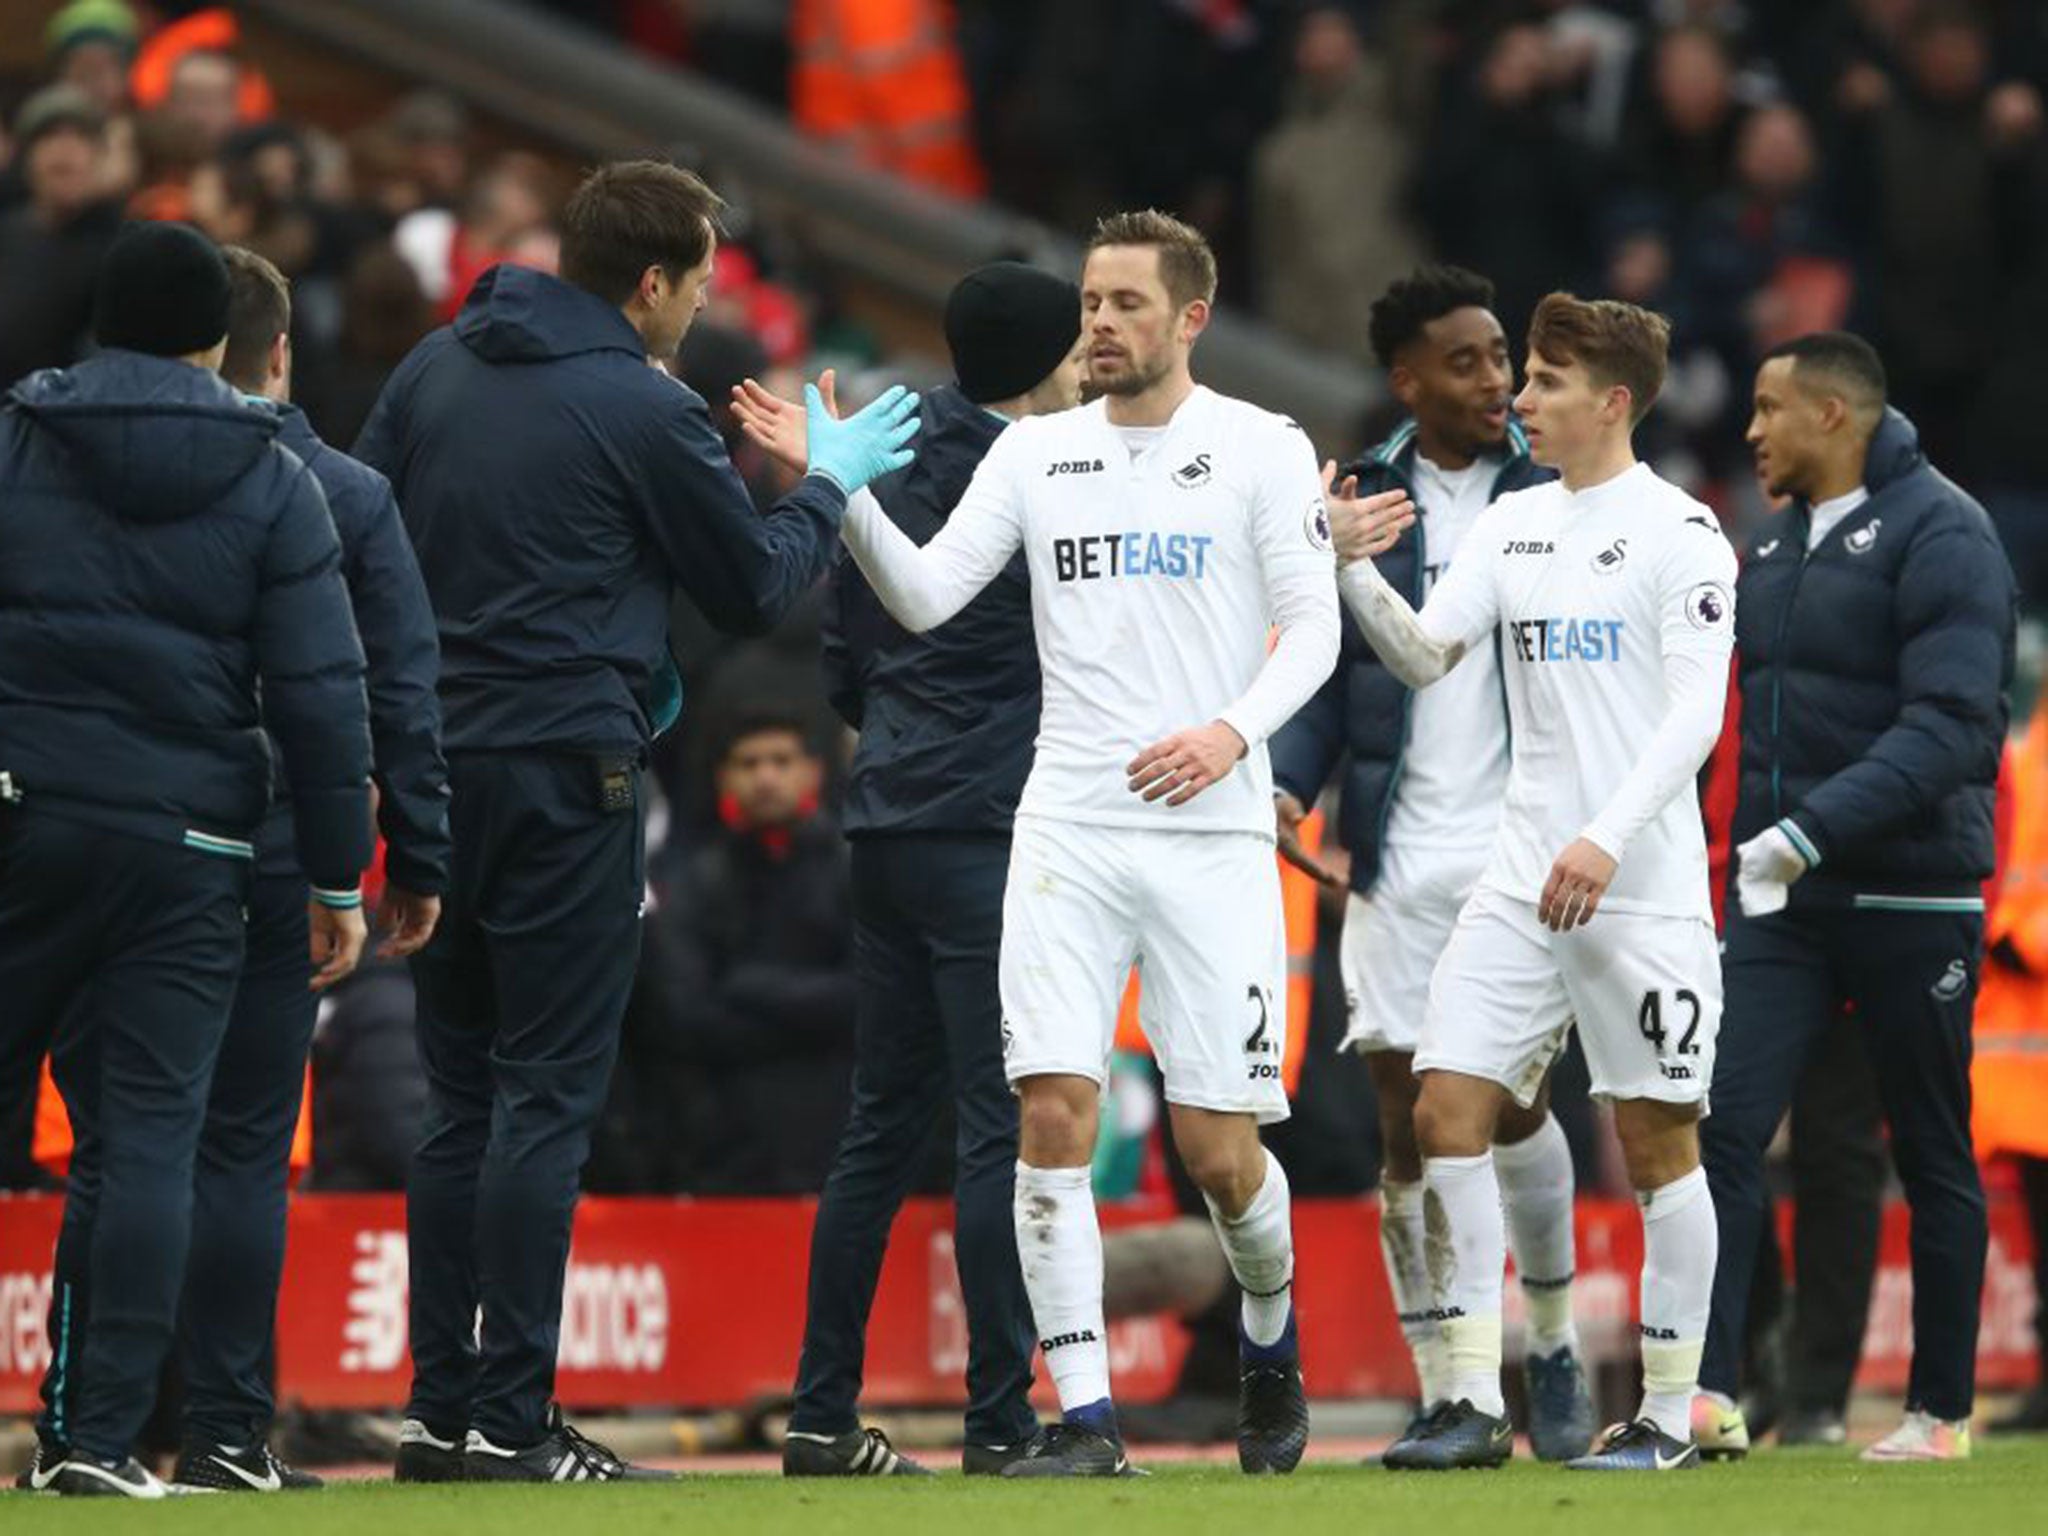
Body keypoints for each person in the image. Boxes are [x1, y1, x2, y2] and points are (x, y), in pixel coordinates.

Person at [736, 210, 1402, 1478]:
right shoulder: (1037, 456)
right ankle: (1084, 1423)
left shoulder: (1259, 447)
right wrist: (842, 492)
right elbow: (926, 596)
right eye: (1089, 302)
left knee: (1220, 1154)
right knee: (1047, 1113)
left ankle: (1268, 1333)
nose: (1098, 324)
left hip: (1205, 834)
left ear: (1190, 318)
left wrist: (1228, 732)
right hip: (1061, 827)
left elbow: (1313, 636)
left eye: (1124, 305)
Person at [352, 158, 919, 1485]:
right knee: (545, 1098)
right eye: (702, 283)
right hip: (568, 778)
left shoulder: (435, 368)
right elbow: (751, 588)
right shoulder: (641, 408)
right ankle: (512, 1415)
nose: (699, 308)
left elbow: (364, 535)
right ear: (655, 282)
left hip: (437, 763)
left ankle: (444, 1410)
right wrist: (827, 483)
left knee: (459, 1096)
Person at [0, 221, 372, 1498]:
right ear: (225, 338)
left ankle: (83, 1431)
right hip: (192, 844)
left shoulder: (16, 440)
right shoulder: (274, 475)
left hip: (23, 818)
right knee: (149, 1137)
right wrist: (336, 877)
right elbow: (322, 696)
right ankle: (97, 1443)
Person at [1336, 293, 1738, 1473]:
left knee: (1660, 1142)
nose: (1520, 398)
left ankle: (1663, 1414)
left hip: (1638, 884)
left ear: (1611, 403)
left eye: (1546, 381)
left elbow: (1693, 716)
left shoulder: (1682, 534)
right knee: (1441, 1111)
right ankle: (1467, 1401)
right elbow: (1420, 652)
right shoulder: (1512, 530)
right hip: (1519, 880)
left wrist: (1605, 836)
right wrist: (1353, 568)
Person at [1266, 265, 1593, 1462]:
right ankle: (1444, 1384)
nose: (1496, 379)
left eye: (1501, 356)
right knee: (1404, 1124)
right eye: (1465, 361)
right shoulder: (1353, 499)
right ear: (1405, 379)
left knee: (1508, 1106)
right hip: (1395, 858)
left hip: (1517, 851)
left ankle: (1550, 1343)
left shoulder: (1556, 491)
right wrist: (1284, 782)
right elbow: (1319, 663)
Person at [778, 261, 1084, 1478]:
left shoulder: (894, 463)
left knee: (875, 1129)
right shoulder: (1052, 479)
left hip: (887, 816)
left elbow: (845, 655)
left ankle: (818, 1411)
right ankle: (1001, 1419)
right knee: (992, 1126)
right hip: (989, 824)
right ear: (1050, 360)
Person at [1697, 332, 2016, 1463]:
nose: (1749, 430)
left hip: (1906, 897)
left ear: (1832, 417)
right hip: (1781, 900)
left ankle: (1937, 1412)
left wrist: (1803, 831)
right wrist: (1752, 849)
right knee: (1720, 1128)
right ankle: (1705, 1394)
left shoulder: (1946, 533)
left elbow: (1948, 730)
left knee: (1926, 1148)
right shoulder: (1772, 544)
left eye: (1768, 407)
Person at [160, 245, 449, 1495]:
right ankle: (226, 1429)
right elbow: (393, 686)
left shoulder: (72, 468)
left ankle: (99, 1423)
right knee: (238, 1147)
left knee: (132, 1137)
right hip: (277, 854)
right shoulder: (337, 490)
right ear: (278, 351)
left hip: (127, 839)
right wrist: (405, 860)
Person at [649, 710, 856, 1195]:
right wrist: (814, 1013)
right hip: (721, 1146)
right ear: (724, 777)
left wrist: (747, 985)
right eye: (749, 762)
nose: (765, 776)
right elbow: (683, 1014)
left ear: (813, 770)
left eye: (781, 761)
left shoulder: (854, 871)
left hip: (840, 1135)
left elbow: (873, 1001)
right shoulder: (691, 880)